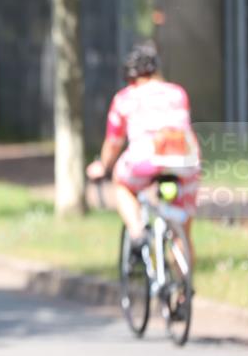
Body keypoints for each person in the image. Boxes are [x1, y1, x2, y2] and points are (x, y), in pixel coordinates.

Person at [86, 42, 201, 265]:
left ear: (130, 77)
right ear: (157, 70)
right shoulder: (178, 93)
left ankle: (138, 234)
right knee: (183, 234)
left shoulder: (125, 98)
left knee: (121, 184)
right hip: (186, 161)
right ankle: (183, 291)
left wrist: (103, 166)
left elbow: (113, 142)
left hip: (145, 160)